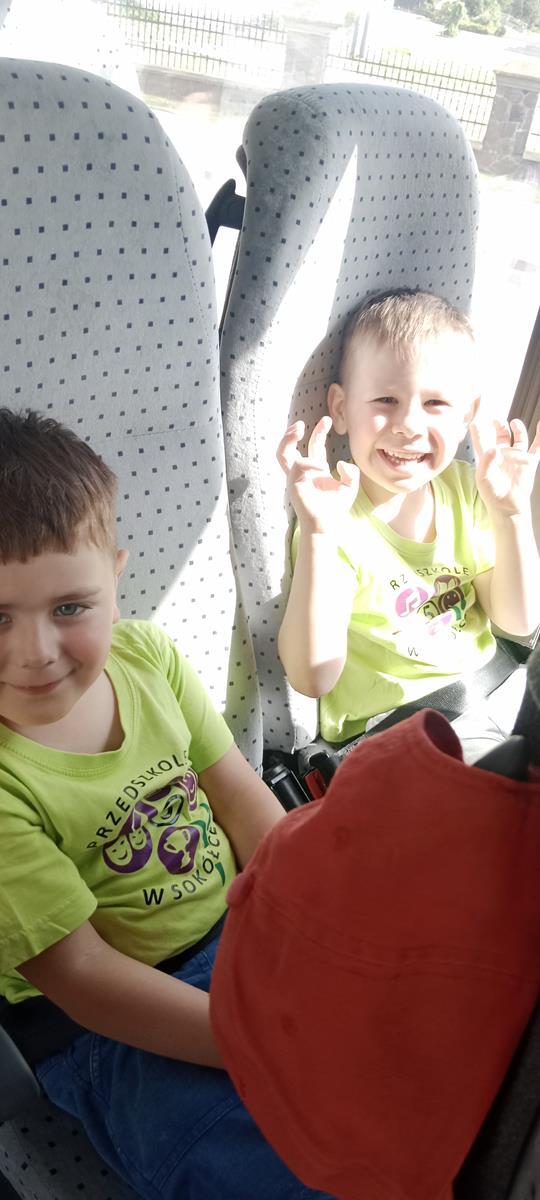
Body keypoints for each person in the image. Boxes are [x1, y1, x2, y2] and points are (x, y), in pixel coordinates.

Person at [0, 408, 332, 1200]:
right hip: (108, 1028)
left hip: (240, 930)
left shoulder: (148, 657)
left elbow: (242, 800)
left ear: (115, 580)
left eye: (70, 608)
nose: (34, 653)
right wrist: (253, 1041)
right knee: (259, 1168)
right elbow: (83, 976)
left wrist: (313, 916)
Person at [277, 289, 540, 763]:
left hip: (497, 690)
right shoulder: (334, 519)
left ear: (466, 415)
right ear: (341, 409)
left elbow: (518, 621)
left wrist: (512, 513)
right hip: (401, 735)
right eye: (386, 399)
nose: (409, 425)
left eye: (435, 403)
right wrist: (316, 533)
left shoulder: (466, 490)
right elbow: (311, 676)